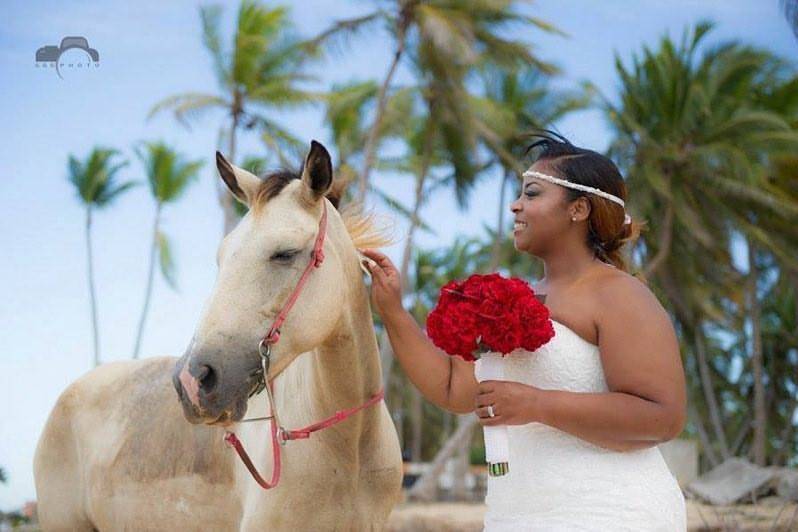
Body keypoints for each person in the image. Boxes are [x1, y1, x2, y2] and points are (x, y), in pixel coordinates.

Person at [360, 131, 687, 530]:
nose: (515, 205)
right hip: (516, 515)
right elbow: (453, 389)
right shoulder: (511, 298)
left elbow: (662, 417)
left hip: (609, 512)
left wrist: (536, 404)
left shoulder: (619, 294)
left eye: (532, 194)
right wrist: (392, 310)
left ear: (578, 209)